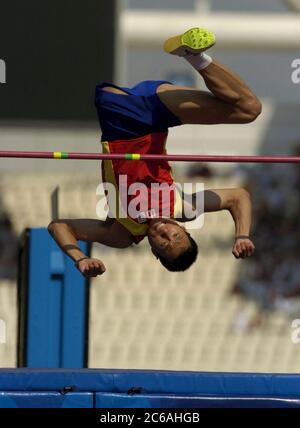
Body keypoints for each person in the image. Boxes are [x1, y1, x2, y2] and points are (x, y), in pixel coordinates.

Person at [48, 28, 260, 277]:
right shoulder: (184, 208)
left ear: (154, 251)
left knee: (246, 109)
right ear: (185, 229)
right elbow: (238, 196)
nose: (166, 234)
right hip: (155, 118)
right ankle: (194, 55)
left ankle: (193, 54)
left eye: (164, 244)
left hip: (123, 120)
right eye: (177, 236)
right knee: (248, 109)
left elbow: (58, 226)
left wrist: (80, 258)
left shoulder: (123, 233)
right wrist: (242, 235)